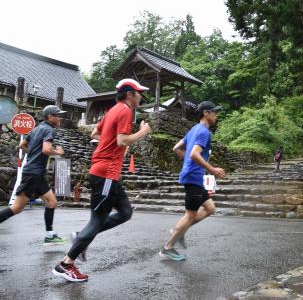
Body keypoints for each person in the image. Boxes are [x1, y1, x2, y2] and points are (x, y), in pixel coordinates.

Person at [52, 78, 151, 282]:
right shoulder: (124, 111)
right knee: (97, 220)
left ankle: (81, 235)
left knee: (125, 212)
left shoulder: (112, 111)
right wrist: (143, 132)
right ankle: (65, 264)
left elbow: (97, 133)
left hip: (109, 173)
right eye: (139, 92)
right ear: (130, 94)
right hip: (105, 173)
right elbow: (122, 139)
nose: (141, 96)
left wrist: (112, 146)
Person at [159, 101, 226, 261]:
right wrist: (212, 169)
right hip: (194, 177)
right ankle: (168, 247)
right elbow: (195, 154)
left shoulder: (193, 129)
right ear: (206, 113)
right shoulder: (203, 132)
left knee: (210, 208)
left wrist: (189, 163)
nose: (216, 115)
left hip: (194, 175)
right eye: (214, 112)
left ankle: (179, 229)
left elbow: (176, 148)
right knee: (190, 215)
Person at [0, 105, 68, 245]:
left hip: (36, 173)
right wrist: (58, 152)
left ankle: (50, 235)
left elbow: (22, 145)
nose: (60, 118)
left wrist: (32, 153)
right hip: (34, 173)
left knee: (52, 202)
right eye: (58, 115)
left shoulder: (37, 129)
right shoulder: (49, 130)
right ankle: (50, 235)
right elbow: (46, 149)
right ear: (50, 117)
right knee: (17, 207)